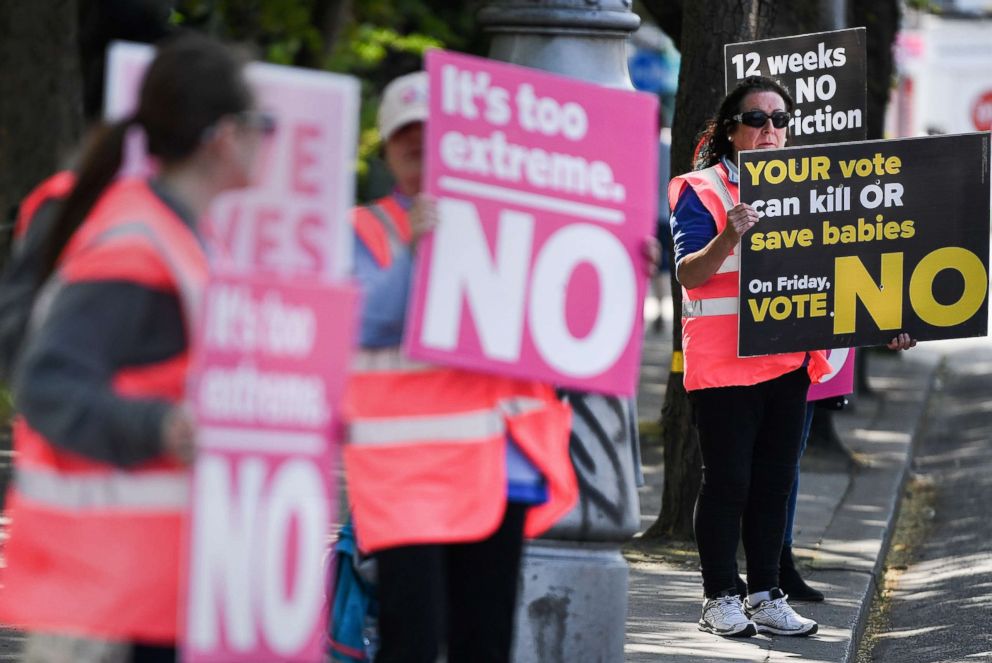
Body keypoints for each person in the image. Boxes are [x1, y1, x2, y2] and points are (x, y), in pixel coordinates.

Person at [0, 33, 273, 663]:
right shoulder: (138, 245)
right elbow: (46, 384)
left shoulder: (181, 235)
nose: (270, 138)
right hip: (112, 592)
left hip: (146, 582)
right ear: (225, 136)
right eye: (263, 123)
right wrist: (160, 428)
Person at [342, 70, 580, 663]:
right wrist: (413, 252)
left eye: (435, 134)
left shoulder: (510, 222)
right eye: (407, 137)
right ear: (387, 147)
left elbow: (560, 327)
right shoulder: (363, 231)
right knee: (411, 637)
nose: (421, 147)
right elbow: (360, 323)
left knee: (484, 637)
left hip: (495, 464)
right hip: (406, 475)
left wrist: (621, 261)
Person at [672, 75, 917, 639]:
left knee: (774, 484)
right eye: (757, 119)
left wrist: (888, 325)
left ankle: (765, 595)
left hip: (785, 363)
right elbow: (689, 273)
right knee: (727, 483)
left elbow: (837, 273)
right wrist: (728, 237)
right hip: (723, 366)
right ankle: (719, 599)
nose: (771, 131)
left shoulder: (807, 189)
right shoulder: (701, 188)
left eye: (780, 120)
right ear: (731, 129)